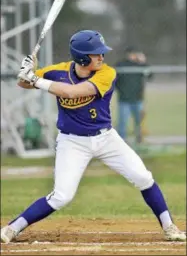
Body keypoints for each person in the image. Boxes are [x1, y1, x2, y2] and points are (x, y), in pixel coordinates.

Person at [1, 30, 185, 243]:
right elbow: (23, 83)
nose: (101, 57)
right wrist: (27, 72)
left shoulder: (107, 73)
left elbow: (72, 92)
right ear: (81, 57)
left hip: (107, 139)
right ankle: (12, 228)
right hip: (72, 142)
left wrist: (35, 79)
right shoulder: (57, 71)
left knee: (144, 177)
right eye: (96, 54)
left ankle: (169, 227)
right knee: (62, 197)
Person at [115, 46, 152, 144]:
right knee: (122, 122)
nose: (134, 56)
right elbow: (114, 81)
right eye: (132, 53)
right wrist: (120, 90)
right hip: (124, 99)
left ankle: (139, 141)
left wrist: (144, 62)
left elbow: (150, 76)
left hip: (138, 99)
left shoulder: (140, 65)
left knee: (139, 121)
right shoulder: (120, 65)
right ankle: (121, 141)